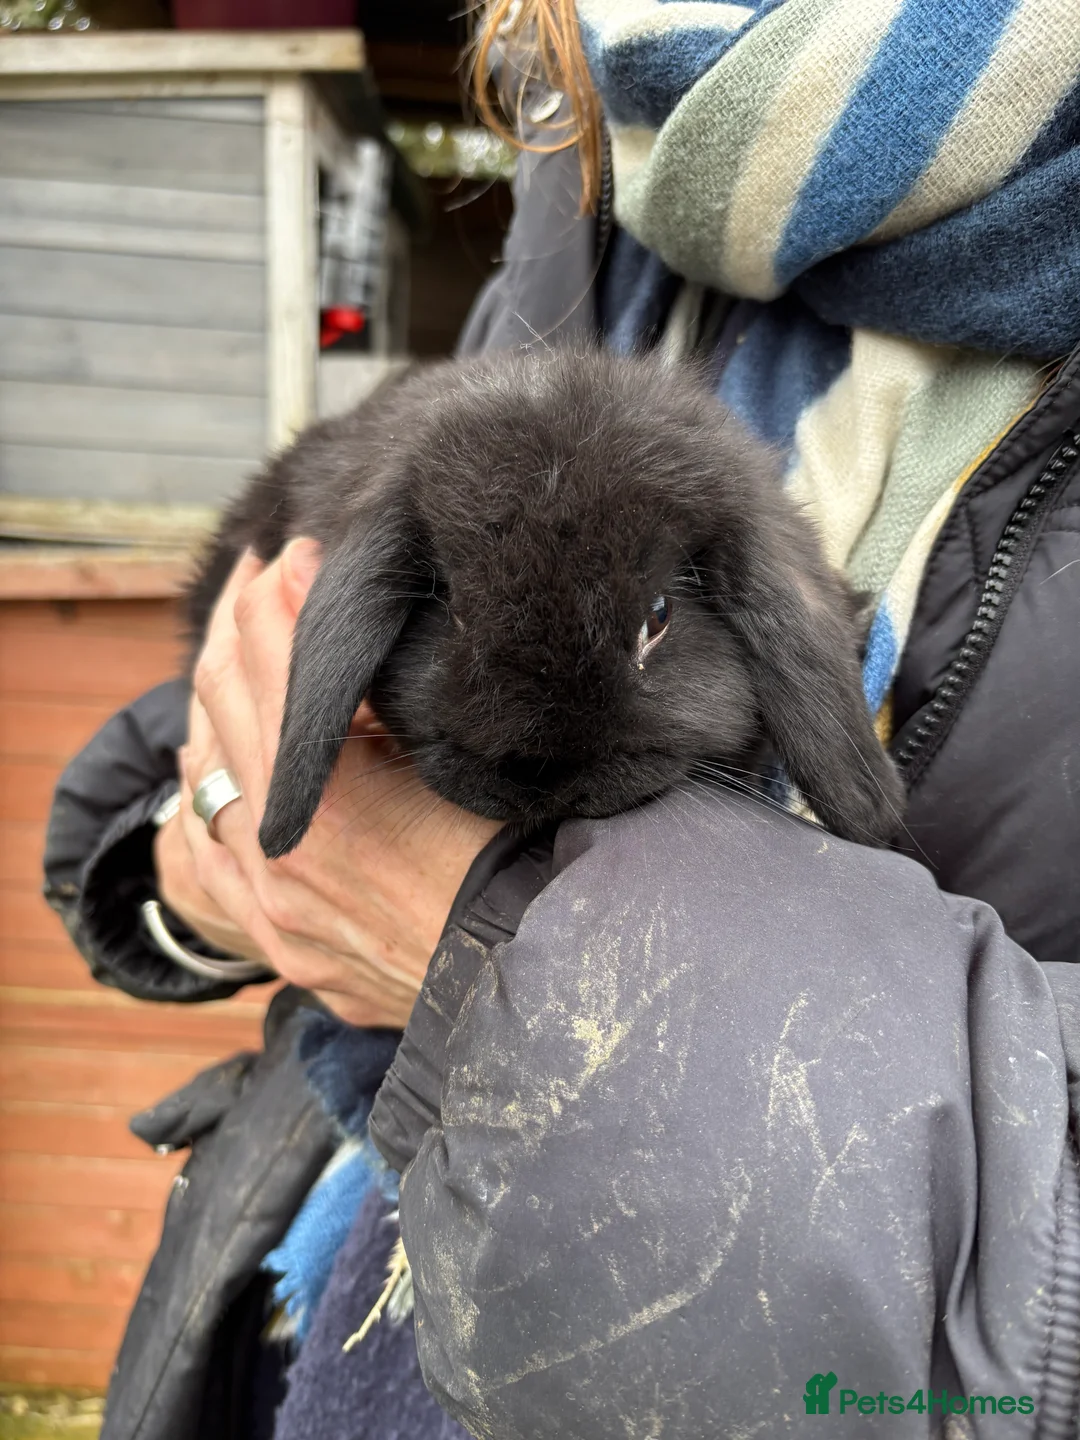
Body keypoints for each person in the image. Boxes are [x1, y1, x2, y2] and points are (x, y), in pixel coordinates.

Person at [44, 3, 1080, 1436]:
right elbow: (228, 712)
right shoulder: (600, 152)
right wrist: (213, 845)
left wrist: (502, 964)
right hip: (352, 1240)